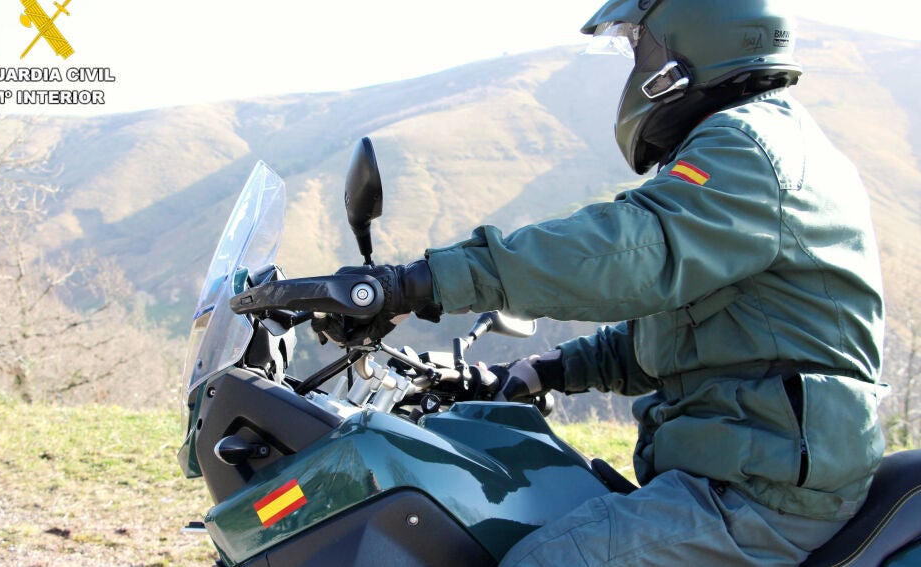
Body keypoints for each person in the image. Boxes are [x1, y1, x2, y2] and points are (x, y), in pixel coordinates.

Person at [313, 0, 887, 564]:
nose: (634, 65)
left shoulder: (749, 148)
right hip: (749, 466)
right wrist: (543, 370)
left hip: (764, 493)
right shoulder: (760, 143)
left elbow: (625, 253)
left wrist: (421, 282)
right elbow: (677, 341)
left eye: (638, 46)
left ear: (690, 44)